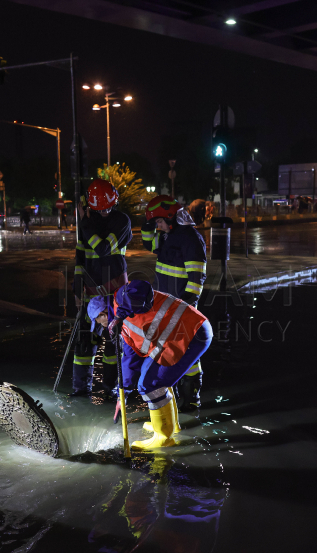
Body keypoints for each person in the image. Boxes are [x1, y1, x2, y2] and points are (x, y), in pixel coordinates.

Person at [87, 280, 213, 449]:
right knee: (150, 374)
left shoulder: (121, 297)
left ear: (103, 313)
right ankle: (171, 425)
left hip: (191, 332)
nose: (102, 326)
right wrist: (122, 394)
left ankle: (163, 438)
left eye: (99, 321)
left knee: (150, 384)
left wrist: (119, 315)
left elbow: (141, 287)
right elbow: (131, 359)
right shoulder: (123, 327)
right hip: (180, 334)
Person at [141, 196, 207, 410]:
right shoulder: (167, 235)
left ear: (170, 217)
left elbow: (197, 279)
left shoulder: (190, 238)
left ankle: (190, 401)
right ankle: (174, 400)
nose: (158, 227)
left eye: (158, 222)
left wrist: (186, 308)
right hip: (165, 306)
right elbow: (148, 244)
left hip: (182, 308)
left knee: (187, 355)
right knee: (166, 351)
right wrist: (148, 225)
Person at [70, 179, 133, 397]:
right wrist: (77, 291)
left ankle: (109, 389)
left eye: (108, 207)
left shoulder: (121, 221)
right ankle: (80, 390)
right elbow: (80, 260)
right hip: (89, 294)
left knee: (114, 344)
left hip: (117, 295)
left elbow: (103, 249)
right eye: (100, 209)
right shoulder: (89, 222)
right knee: (84, 344)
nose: (105, 211)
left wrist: (85, 224)